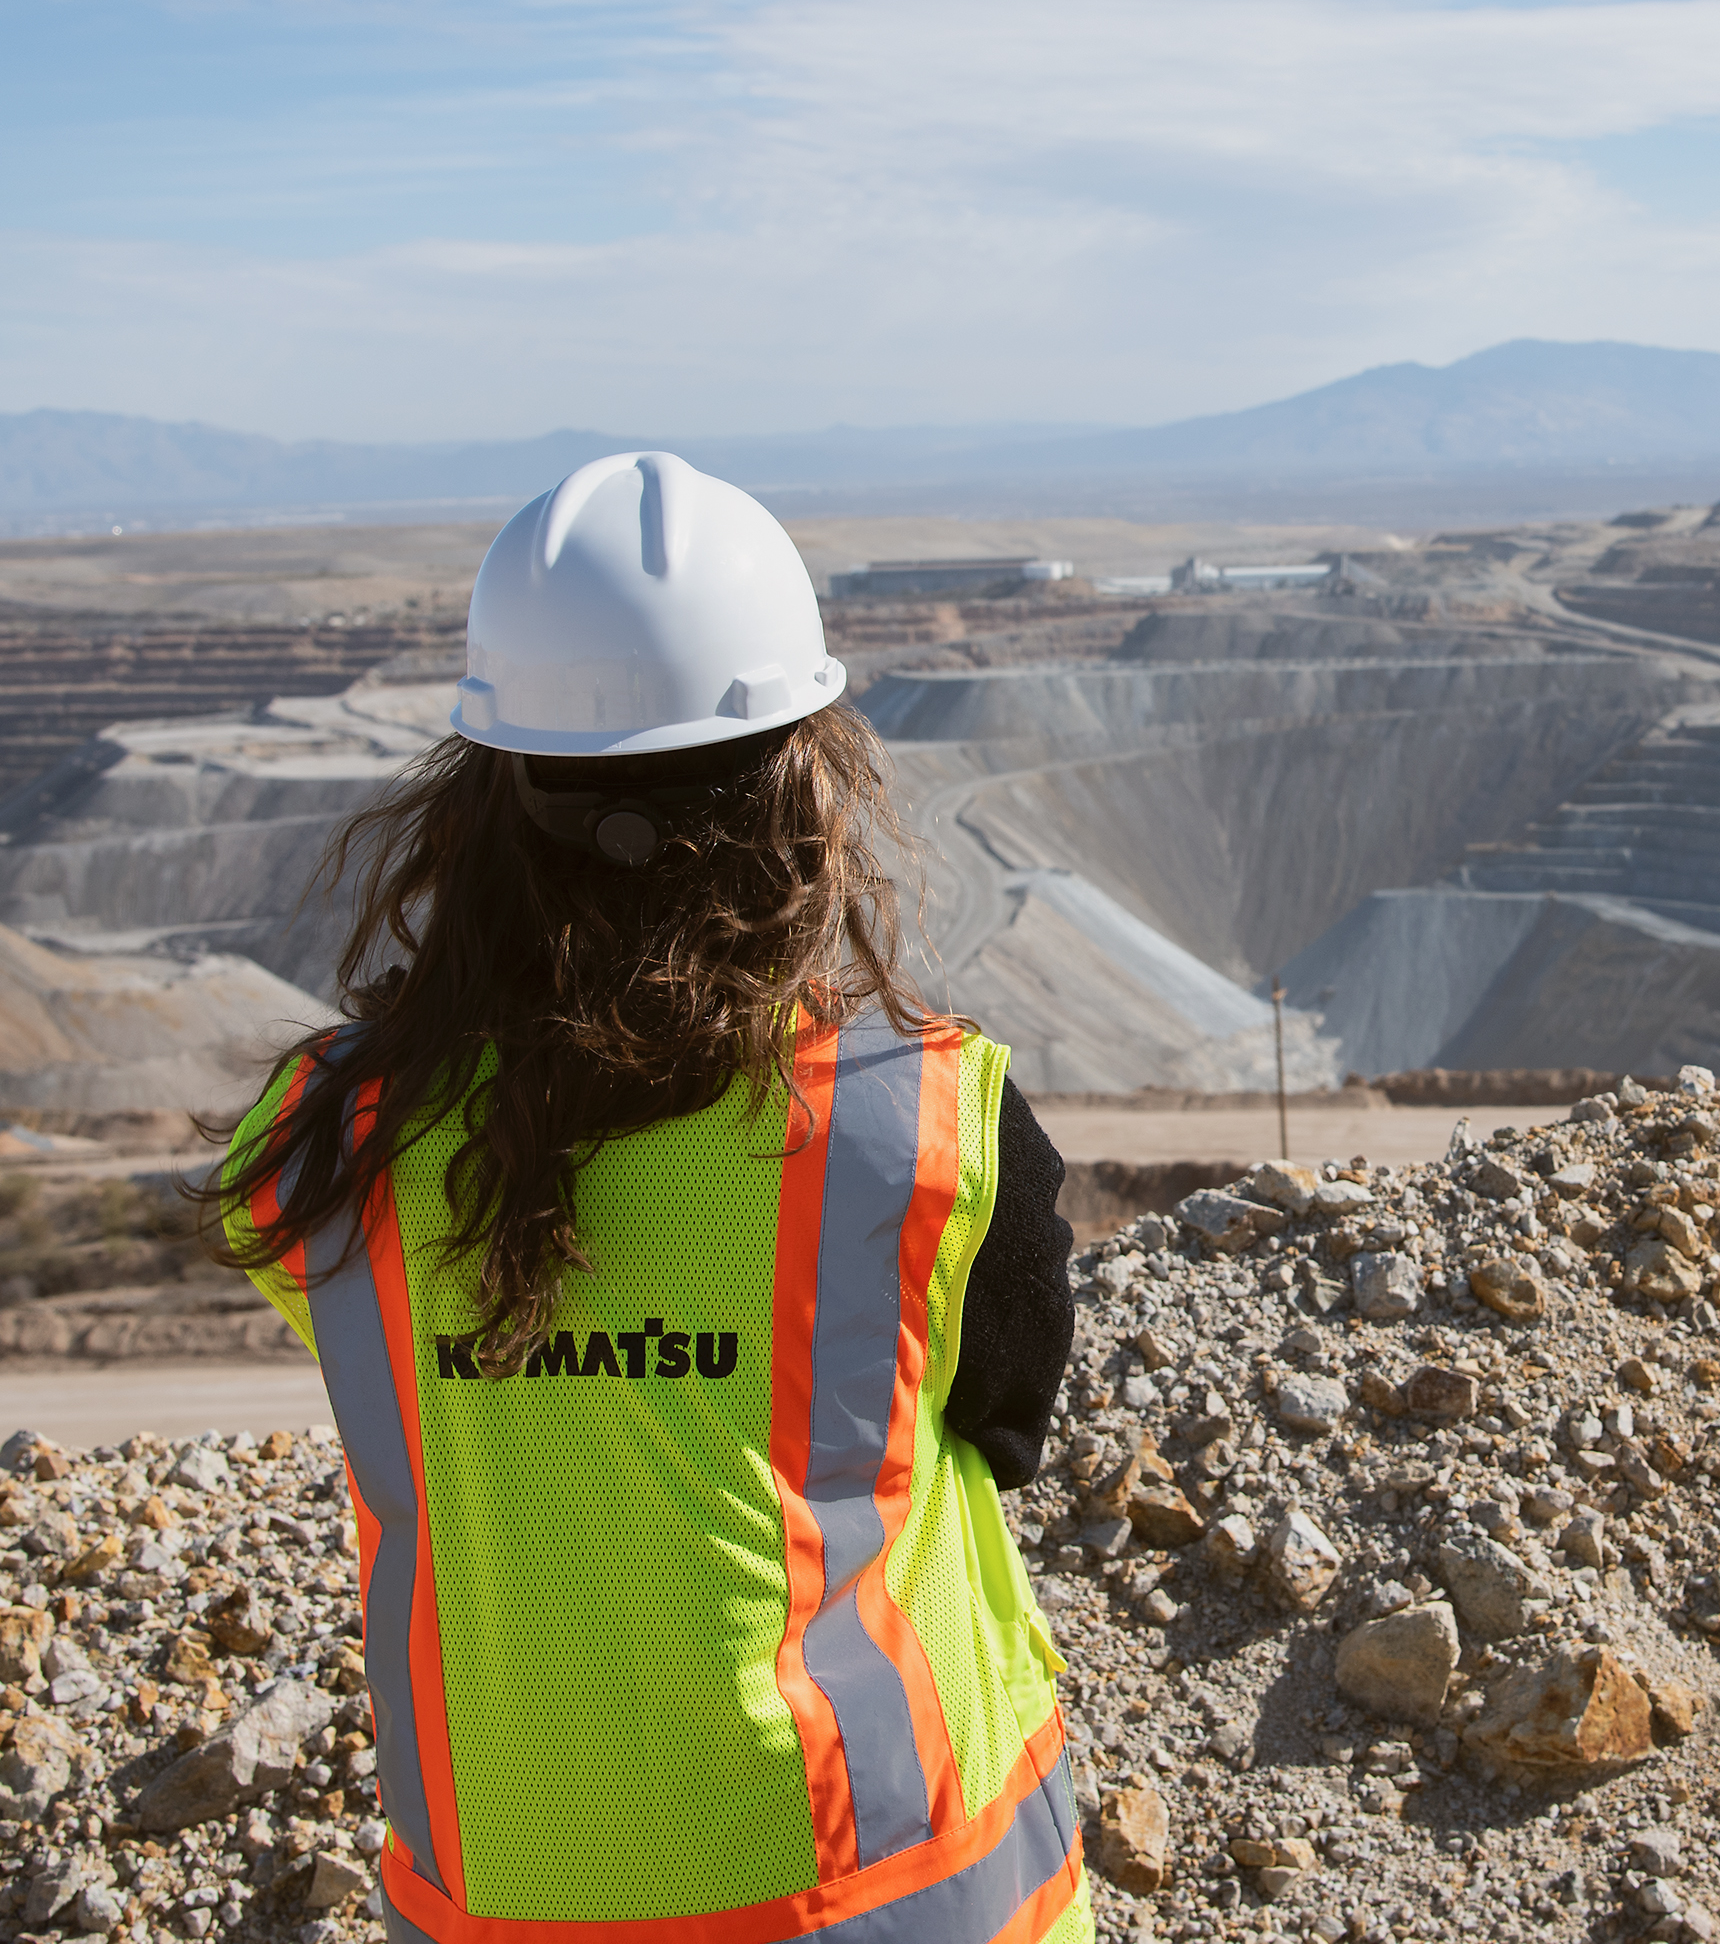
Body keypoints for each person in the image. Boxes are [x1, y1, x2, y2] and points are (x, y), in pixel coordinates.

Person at [201, 451, 1088, 1944]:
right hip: (888, 1898)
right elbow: (1002, 1426)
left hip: (508, 1904)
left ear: (480, 805)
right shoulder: (930, 1131)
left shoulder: (326, 1142)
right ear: (804, 782)